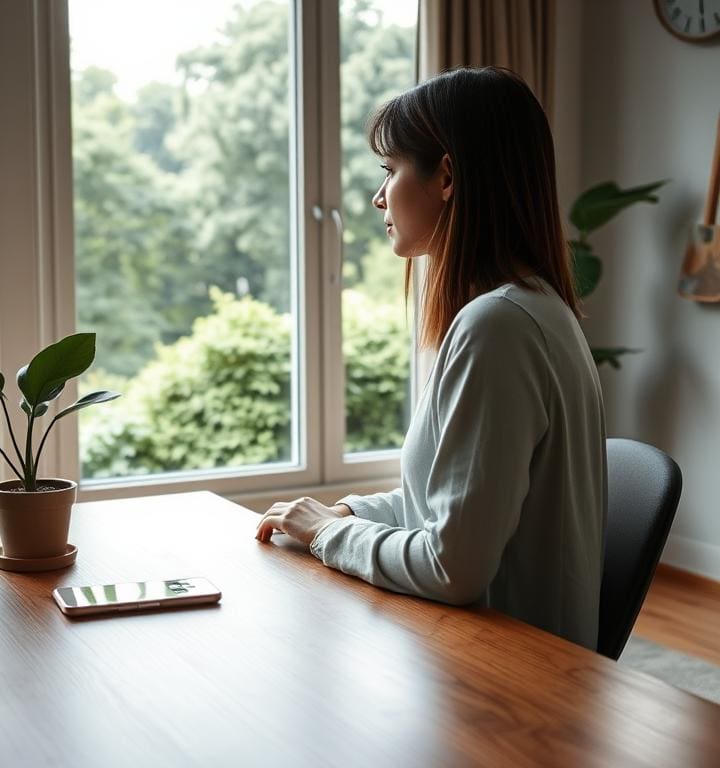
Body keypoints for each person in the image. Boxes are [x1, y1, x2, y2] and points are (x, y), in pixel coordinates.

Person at [254, 66, 607, 652]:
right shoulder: (533, 307)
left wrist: (328, 535)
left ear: (446, 176)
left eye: (390, 170)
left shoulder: (497, 327)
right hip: (490, 654)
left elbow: (452, 566)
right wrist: (346, 509)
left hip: (506, 677)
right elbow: (451, 505)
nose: (377, 196)